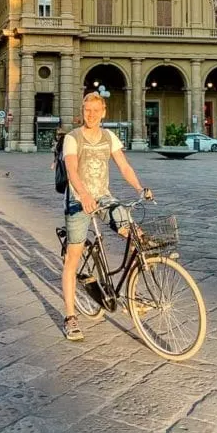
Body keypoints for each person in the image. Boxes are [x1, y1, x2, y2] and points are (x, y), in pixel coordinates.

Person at [61, 91, 153, 342]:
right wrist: (84, 195)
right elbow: (71, 170)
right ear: (82, 112)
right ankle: (70, 316)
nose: (90, 115)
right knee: (73, 258)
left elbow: (123, 166)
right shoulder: (72, 138)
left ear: (104, 112)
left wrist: (139, 188)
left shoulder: (109, 136)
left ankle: (137, 288)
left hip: (103, 197)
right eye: (86, 110)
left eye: (95, 111)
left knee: (134, 232)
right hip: (78, 201)